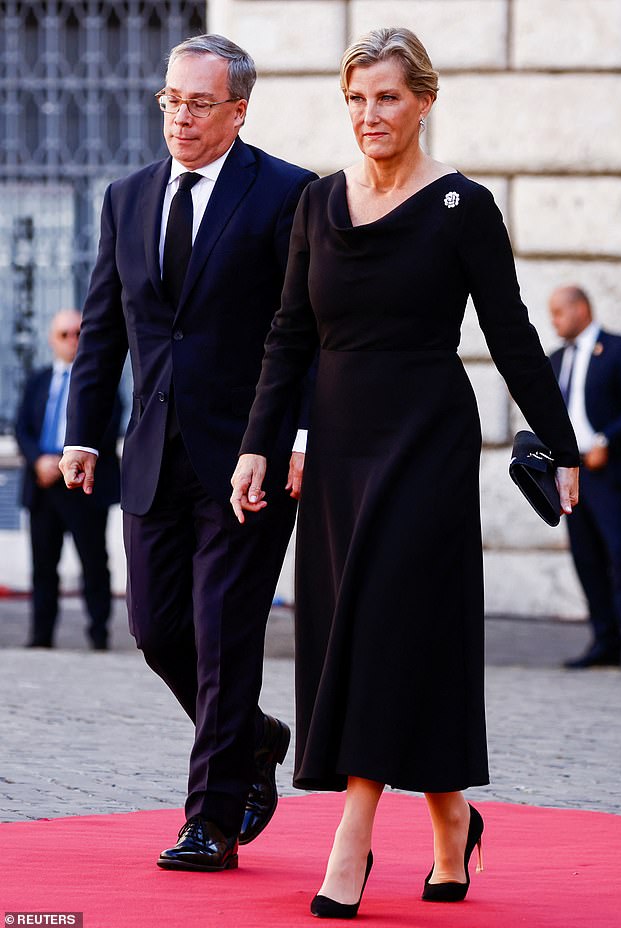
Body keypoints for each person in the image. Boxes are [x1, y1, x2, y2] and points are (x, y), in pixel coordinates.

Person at [231, 27, 579, 918]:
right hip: (342, 445)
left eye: (386, 97)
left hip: (427, 440)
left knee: (384, 621)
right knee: (370, 627)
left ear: (424, 100)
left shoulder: (463, 208)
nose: (369, 115)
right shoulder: (315, 204)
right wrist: (260, 444)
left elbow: (510, 335)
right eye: (355, 98)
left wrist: (563, 444)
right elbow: (288, 337)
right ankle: (454, 823)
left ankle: (352, 840)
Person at [58, 35, 316, 871]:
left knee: (224, 632)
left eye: (199, 103)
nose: (180, 116)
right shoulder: (126, 196)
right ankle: (256, 735)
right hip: (150, 455)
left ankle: (210, 818)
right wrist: (84, 431)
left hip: (249, 459)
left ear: (238, 110)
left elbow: (304, 331)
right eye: (171, 99)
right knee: (156, 628)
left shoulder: (286, 194)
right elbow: (106, 326)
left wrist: (297, 437)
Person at [15, 309, 121, 650]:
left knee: (93, 563)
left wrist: (68, 458)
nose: (73, 340)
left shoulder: (100, 381)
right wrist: (38, 461)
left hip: (84, 486)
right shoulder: (39, 380)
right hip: (43, 485)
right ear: (52, 339)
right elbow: (22, 428)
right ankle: (41, 637)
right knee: (43, 565)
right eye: (65, 334)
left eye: (78, 333)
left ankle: (99, 636)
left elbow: (109, 425)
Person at [549, 285, 621, 669]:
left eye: (558, 312)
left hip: (608, 473)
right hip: (570, 474)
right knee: (586, 558)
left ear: (581, 309)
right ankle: (606, 641)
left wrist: (609, 441)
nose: (554, 320)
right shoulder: (554, 361)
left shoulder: (619, 349)